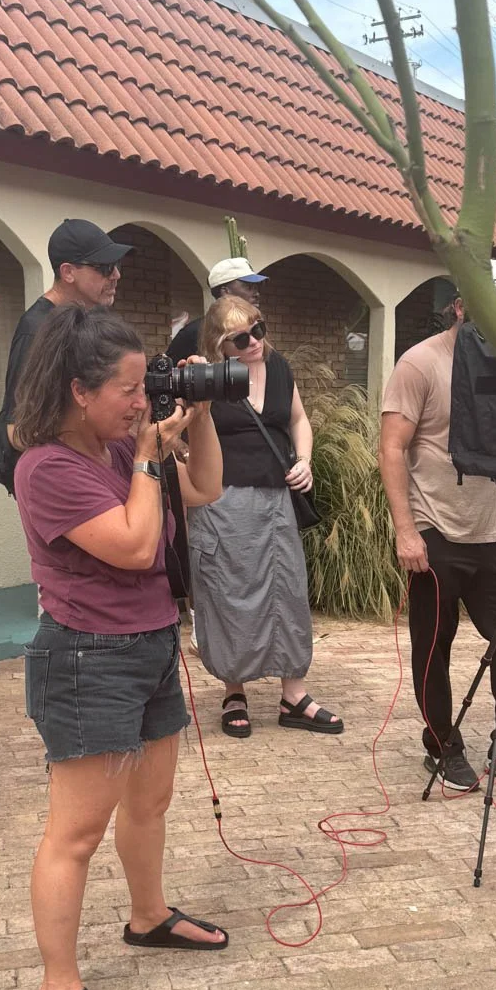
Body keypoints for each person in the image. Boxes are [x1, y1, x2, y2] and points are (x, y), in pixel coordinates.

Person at [13, 304, 227, 990]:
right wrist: (144, 455)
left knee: (152, 802)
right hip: (85, 660)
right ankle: (57, 986)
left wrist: (194, 420)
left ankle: (148, 917)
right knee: (76, 833)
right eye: (130, 389)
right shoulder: (46, 468)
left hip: (148, 646)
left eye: (148, 386)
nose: (144, 401)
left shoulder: (115, 449)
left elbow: (204, 490)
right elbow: (136, 548)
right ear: (79, 390)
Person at [378, 259, 496, 794]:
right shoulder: (420, 364)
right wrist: (405, 529)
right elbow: (392, 448)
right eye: (489, 313)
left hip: (492, 532)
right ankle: (441, 747)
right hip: (435, 529)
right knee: (433, 647)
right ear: (460, 307)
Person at [190, 296, 343, 737]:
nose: (255, 342)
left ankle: (293, 695)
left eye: (258, 329)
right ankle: (233, 690)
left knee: (286, 591)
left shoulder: (278, 367)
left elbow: (298, 419)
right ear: (220, 344)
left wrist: (306, 459)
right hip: (222, 502)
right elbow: (183, 435)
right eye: (241, 337)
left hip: (276, 499)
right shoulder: (210, 378)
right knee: (228, 592)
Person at [0, 220, 132, 494]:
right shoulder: (37, 329)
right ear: (68, 272)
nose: (115, 275)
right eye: (103, 267)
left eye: (116, 266)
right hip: (64, 486)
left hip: (95, 474)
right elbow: (19, 428)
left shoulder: (91, 321)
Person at [166, 257, 268, 365]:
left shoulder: (272, 357)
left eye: (257, 332)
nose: (257, 294)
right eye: (248, 287)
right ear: (225, 291)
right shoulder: (195, 332)